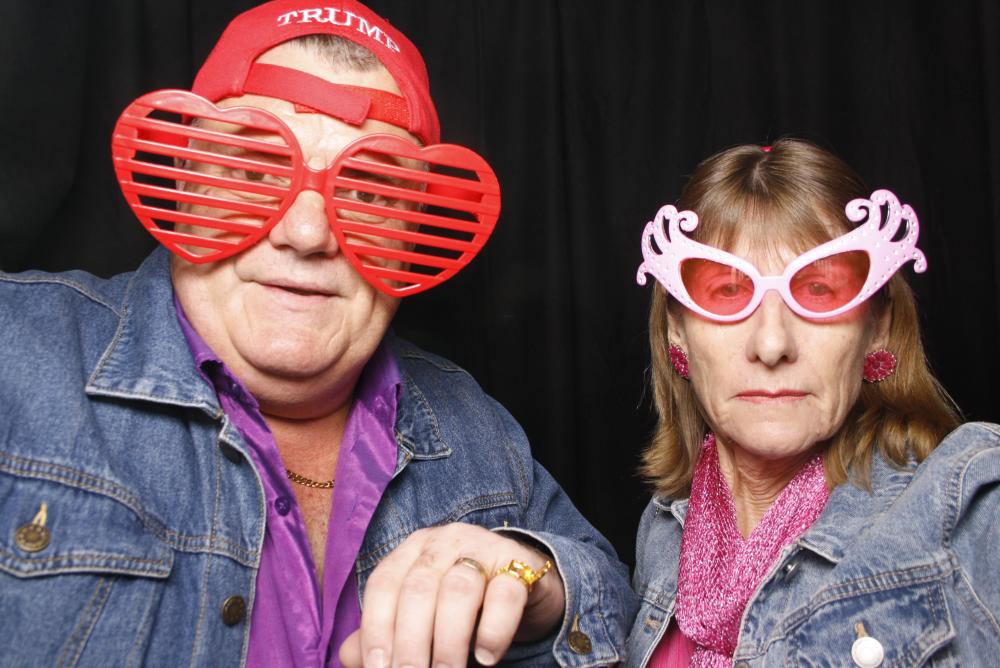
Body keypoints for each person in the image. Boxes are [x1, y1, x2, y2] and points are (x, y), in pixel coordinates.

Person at [0, 2, 636, 666]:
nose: (307, 234)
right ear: (186, 183)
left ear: (411, 235)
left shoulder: (475, 431)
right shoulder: (14, 353)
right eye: (254, 170)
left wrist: (537, 585)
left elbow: (614, 603)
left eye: (370, 192)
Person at [626, 139, 999, 666]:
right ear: (677, 332)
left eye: (820, 290)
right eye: (727, 292)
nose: (771, 344)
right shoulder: (664, 529)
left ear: (879, 328)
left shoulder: (966, 506)